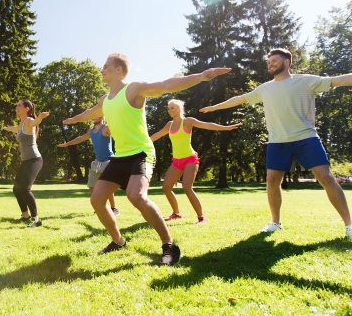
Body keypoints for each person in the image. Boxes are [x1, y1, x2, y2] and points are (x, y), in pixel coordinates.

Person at [200, 48, 352, 243]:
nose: (271, 64)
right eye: (269, 62)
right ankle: (275, 222)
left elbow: (345, 80)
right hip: (277, 141)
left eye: (275, 61)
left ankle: (351, 227)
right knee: (272, 180)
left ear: (287, 62)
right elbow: (239, 99)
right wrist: (214, 107)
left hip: (306, 138)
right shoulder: (265, 89)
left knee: (326, 178)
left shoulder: (306, 81)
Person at [63, 53, 230, 265]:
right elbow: (90, 112)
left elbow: (166, 84)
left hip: (141, 153)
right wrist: (73, 119)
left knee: (136, 196)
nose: (101, 70)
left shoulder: (134, 89)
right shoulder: (105, 100)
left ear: (118, 70)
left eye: (106, 66)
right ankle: (118, 241)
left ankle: (169, 244)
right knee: (96, 199)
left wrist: (201, 76)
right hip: (120, 156)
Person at [150, 99, 241, 223]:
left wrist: (225, 128)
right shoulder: (169, 125)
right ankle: (176, 213)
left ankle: (201, 217)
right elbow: (157, 135)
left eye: (173, 108)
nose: (170, 110)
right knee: (166, 187)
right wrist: (141, 143)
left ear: (180, 108)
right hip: (176, 161)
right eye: (169, 108)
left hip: (190, 159)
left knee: (187, 187)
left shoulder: (188, 121)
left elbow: (207, 125)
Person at [57, 116, 120, 216]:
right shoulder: (91, 131)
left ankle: (113, 208)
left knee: (106, 187)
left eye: (96, 115)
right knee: (91, 185)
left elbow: (118, 131)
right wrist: (67, 144)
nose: (93, 117)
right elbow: (81, 138)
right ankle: (101, 206)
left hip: (108, 161)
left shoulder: (106, 128)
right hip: (97, 162)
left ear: (102, 117)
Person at [3, 99, 49, 228]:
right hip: (26, 161)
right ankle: (25, 216)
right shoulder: (22, 123)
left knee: (25, 188)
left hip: (34, 159)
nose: (16, 107)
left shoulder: (29, 121)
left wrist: (40, 116)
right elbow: (16, 128)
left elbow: (35, 122)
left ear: (26, 108)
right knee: (16, 188)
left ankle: (36, 219)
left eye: (19, 105)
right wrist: (6, 128)